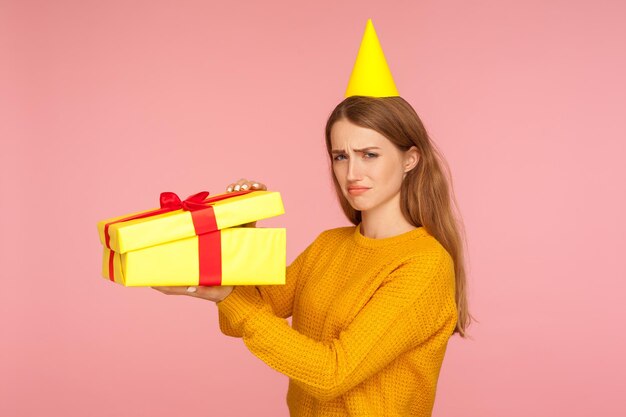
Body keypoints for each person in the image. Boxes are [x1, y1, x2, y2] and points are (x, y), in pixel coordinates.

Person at [153, 20, 471, 417]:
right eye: (341, 156)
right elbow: (248, 314)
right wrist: (240, 237)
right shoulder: (329, 246)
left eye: (369, 154)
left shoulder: (424, 265)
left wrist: (230, 297)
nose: (353, 172)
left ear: (410, 158)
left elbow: (331, 373)